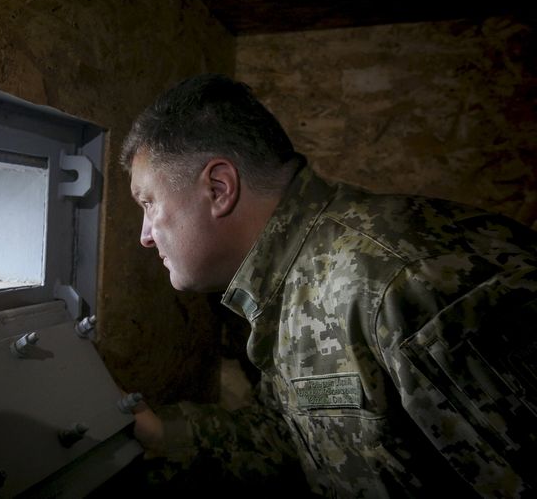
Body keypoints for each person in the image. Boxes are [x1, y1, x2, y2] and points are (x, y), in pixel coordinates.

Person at [119, 73, 537, 497]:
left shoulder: (401, 284)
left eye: (148, 202)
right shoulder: (291, 281)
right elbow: (298, 436)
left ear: (218, 188)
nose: (145, 234)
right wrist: (165, 433)